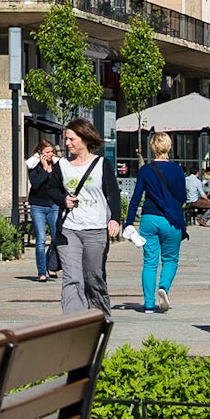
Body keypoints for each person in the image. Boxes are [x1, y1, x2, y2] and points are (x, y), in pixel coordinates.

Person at [57, 118, 122, 316]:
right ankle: (73, 323)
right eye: (66, 139)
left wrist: (115, 219)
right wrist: (63, 199)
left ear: (84, 138)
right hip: (69, 230)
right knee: (72, 277)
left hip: (96, 229)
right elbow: (51, 189)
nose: (67, 143)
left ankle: (100, 319)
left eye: (71, 139)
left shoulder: (102, 164)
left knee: (94, 277)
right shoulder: (62, 165)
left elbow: (113, 193)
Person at [126, 131, 189, 312]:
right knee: (170, 259)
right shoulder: (177, 170)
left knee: (150, 262)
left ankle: (148, 305)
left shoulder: (145, 170)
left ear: (152, 148)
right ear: (168, 147)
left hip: (149, 219)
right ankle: (163, 287)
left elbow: (135, 198)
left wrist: (129, 222)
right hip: (171, 220)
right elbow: (183, 197)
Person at [26, 140, 66, 282]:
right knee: (41, 240)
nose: (50, 155)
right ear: (40, 153)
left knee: (56, 237)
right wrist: (45, 169)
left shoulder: (57, 165)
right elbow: (35, 184)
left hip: (54, 205)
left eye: (51, 152)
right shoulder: (34, 166)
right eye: (47, 152)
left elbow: (60, 183)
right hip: (38, 205)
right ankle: (42, 272)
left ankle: (51, 265)